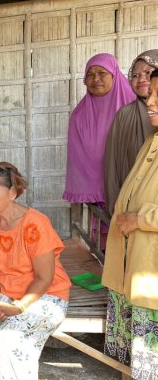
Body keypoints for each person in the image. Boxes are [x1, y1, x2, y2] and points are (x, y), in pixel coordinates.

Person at [0, 162, 71, 380]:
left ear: (13, 193)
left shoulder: (35, 223)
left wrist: (18, 307)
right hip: (5, 293)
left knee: (11, 338)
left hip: (46, 295)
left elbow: (45, 278)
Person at [101, 69, 158, 380]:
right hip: (132, 265)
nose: (149, 101)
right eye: (151, 93)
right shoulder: (153, 140)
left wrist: (140, 219)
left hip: (151, 274)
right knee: (137, 364)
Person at [63, 53, 136, 205]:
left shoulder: (134, 106)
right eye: (90, 74)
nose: (96, 79)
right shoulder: (79, 115)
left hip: (131, 188)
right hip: (95, 196)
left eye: (102, 73)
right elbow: (77, 161)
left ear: (114, 75)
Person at [104, 50, 158, 214]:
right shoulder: (124, 115)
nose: (141, 79)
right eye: (135, 75)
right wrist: (115, 204)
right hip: (128, 207)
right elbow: (111, 162)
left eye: (148, 73)